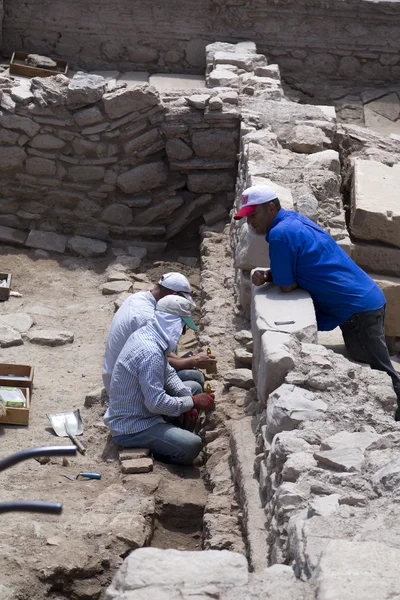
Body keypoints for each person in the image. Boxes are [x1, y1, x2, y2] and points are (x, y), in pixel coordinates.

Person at [234, 184, 400, 421]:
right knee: (361, 356)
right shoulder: (292, 220)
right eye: (246, 217)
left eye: (253, 215)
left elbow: (287, 285)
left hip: (359, 309)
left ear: (271, 208)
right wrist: (272, 274)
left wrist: (273, 276)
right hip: (363, 300)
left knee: (382, 373)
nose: (250, 222)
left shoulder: (281, 234)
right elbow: (297, 266)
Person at [104, 295, 215, 464]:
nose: (183, 332)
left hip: (142, 409)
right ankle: (164, 454)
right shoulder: (151, 352)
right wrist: (191, 402)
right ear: (173, 323)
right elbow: (155, 403)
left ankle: (172, 434)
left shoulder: (151, 334)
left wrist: (187, 398)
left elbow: (168, 372)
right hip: (133, 425)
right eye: (183, 327)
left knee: (192, 386)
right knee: (192, 445)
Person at [102, 272, 217, 394]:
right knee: (194, 386)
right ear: (173, 295)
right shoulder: (146, 318)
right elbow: (156, 358)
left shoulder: (138, 297)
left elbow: (161, 353)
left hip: (121, 372)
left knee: (194, 375)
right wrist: (192, 362)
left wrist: (187, 361)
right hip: (125, 388)